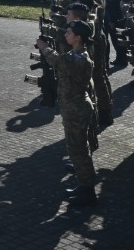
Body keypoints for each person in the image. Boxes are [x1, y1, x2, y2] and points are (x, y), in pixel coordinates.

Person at [36, 19, 98, 207]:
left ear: (78, 38)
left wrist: (45, 48)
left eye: (69, 33)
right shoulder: (74, 53)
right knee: (76, 149)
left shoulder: (80, 58)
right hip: (72, 108)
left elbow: (59, 61)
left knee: (79, 150)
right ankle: (83, 185)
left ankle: (88, 191)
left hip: (77, 109)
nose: (66, 35)